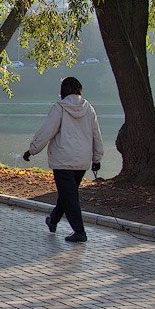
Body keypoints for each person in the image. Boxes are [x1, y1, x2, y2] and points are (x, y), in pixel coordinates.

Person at [22, 76, 104, 243]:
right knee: (68, 194)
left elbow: (47, 132)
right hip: (82, 161)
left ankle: (79, 232)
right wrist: (97, 158)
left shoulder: (59, 108)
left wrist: (31, 150)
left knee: (69, 197)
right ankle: (53, 220)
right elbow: (97, 134)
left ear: (62, 91)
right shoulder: (89, 109)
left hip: (63, 160)